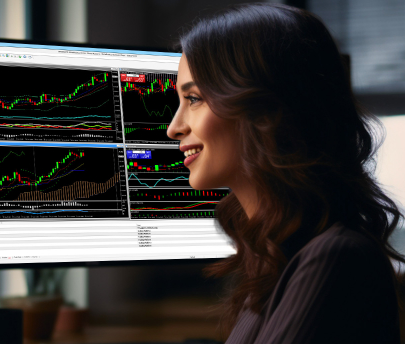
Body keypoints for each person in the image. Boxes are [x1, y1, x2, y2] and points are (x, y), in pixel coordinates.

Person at [166, 3, 403, 343]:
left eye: (194, 98)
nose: (174, 128)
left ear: (263, 107)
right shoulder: (273, 257)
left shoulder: (334, 259)